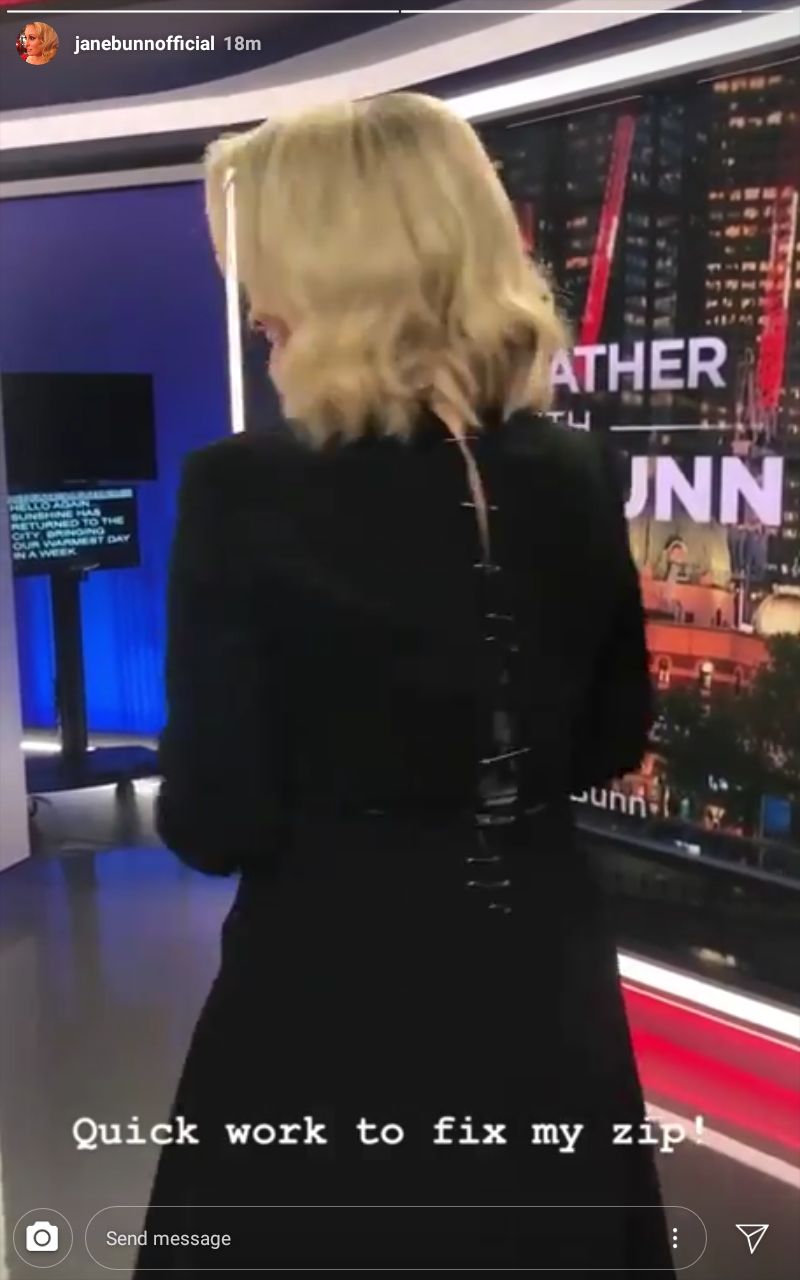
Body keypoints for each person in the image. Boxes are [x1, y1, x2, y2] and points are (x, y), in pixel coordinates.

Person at [135, 93, 674, 1274]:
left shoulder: (240, 487)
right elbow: (607, 736)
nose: (252, 301)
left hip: (331, 981)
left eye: (260, 266)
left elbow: (215, 818)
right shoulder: (575, 467)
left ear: (329, 271)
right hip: (543, 969)